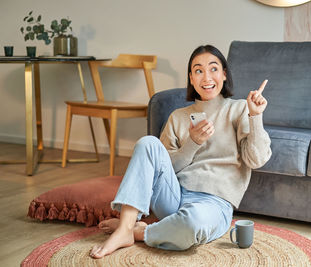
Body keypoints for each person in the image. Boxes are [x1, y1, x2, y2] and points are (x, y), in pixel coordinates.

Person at [90, 45, 272, 259]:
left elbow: (256, 159)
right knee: (148, 143)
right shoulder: (178, 116)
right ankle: (125, 228)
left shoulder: (240, 109)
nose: (206, 77)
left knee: (192, 223)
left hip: (213, 204)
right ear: (191, 79)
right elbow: (164, 168)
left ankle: (139, 232)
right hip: (173, 195)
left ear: (224, 74)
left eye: (213, 69)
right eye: (198, 70)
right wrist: (192, 143)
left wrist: (255, 116)